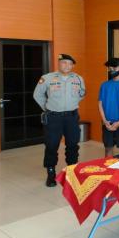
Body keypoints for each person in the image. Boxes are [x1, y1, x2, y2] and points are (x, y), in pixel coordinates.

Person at [33, 54, 85, 187]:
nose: (67, 66)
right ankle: (51, 174)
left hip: (71, 117)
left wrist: (71, 104)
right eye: (64, 63)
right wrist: (48, 107)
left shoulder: (78, 79)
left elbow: (81, 94)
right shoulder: (47, 78)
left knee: (73, 144)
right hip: (53, 117)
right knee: (51, 145)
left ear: (73, 65)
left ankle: (72, 172)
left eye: (69, 63)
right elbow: (37, 95)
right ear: (59, 63)